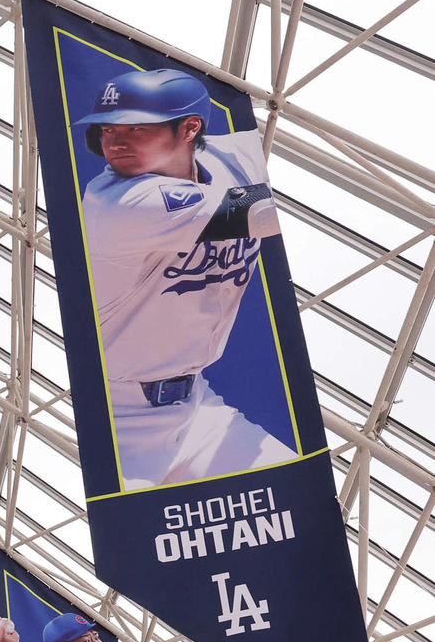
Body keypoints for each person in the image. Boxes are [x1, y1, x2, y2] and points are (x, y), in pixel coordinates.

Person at [75, 68, 296, 490]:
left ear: (190, 128)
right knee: (132, 552)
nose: (114, 142)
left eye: (134, 127)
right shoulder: (119, 203)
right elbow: (264, 212)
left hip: (196, 407)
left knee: (300, 505)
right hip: (118, 422)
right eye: (105, 130)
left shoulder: (227, 161)